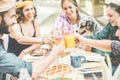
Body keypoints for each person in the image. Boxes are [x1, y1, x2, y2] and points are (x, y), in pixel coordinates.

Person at [0, 0, 64, 80]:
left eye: (32, 9)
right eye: (12, 16)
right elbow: (20, 39)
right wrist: (54, 53)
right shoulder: (16, 26)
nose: (15, 21)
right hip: (17, 64)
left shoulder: (34, 22)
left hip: (21, 63)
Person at [74, 0, 120, 74]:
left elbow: (112, 48)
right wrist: (82, 39)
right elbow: (99, 36)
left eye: (110, 15)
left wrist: (91, 46)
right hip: (109, 61)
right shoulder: (111, 24)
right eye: (107, 16)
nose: (108, 18)